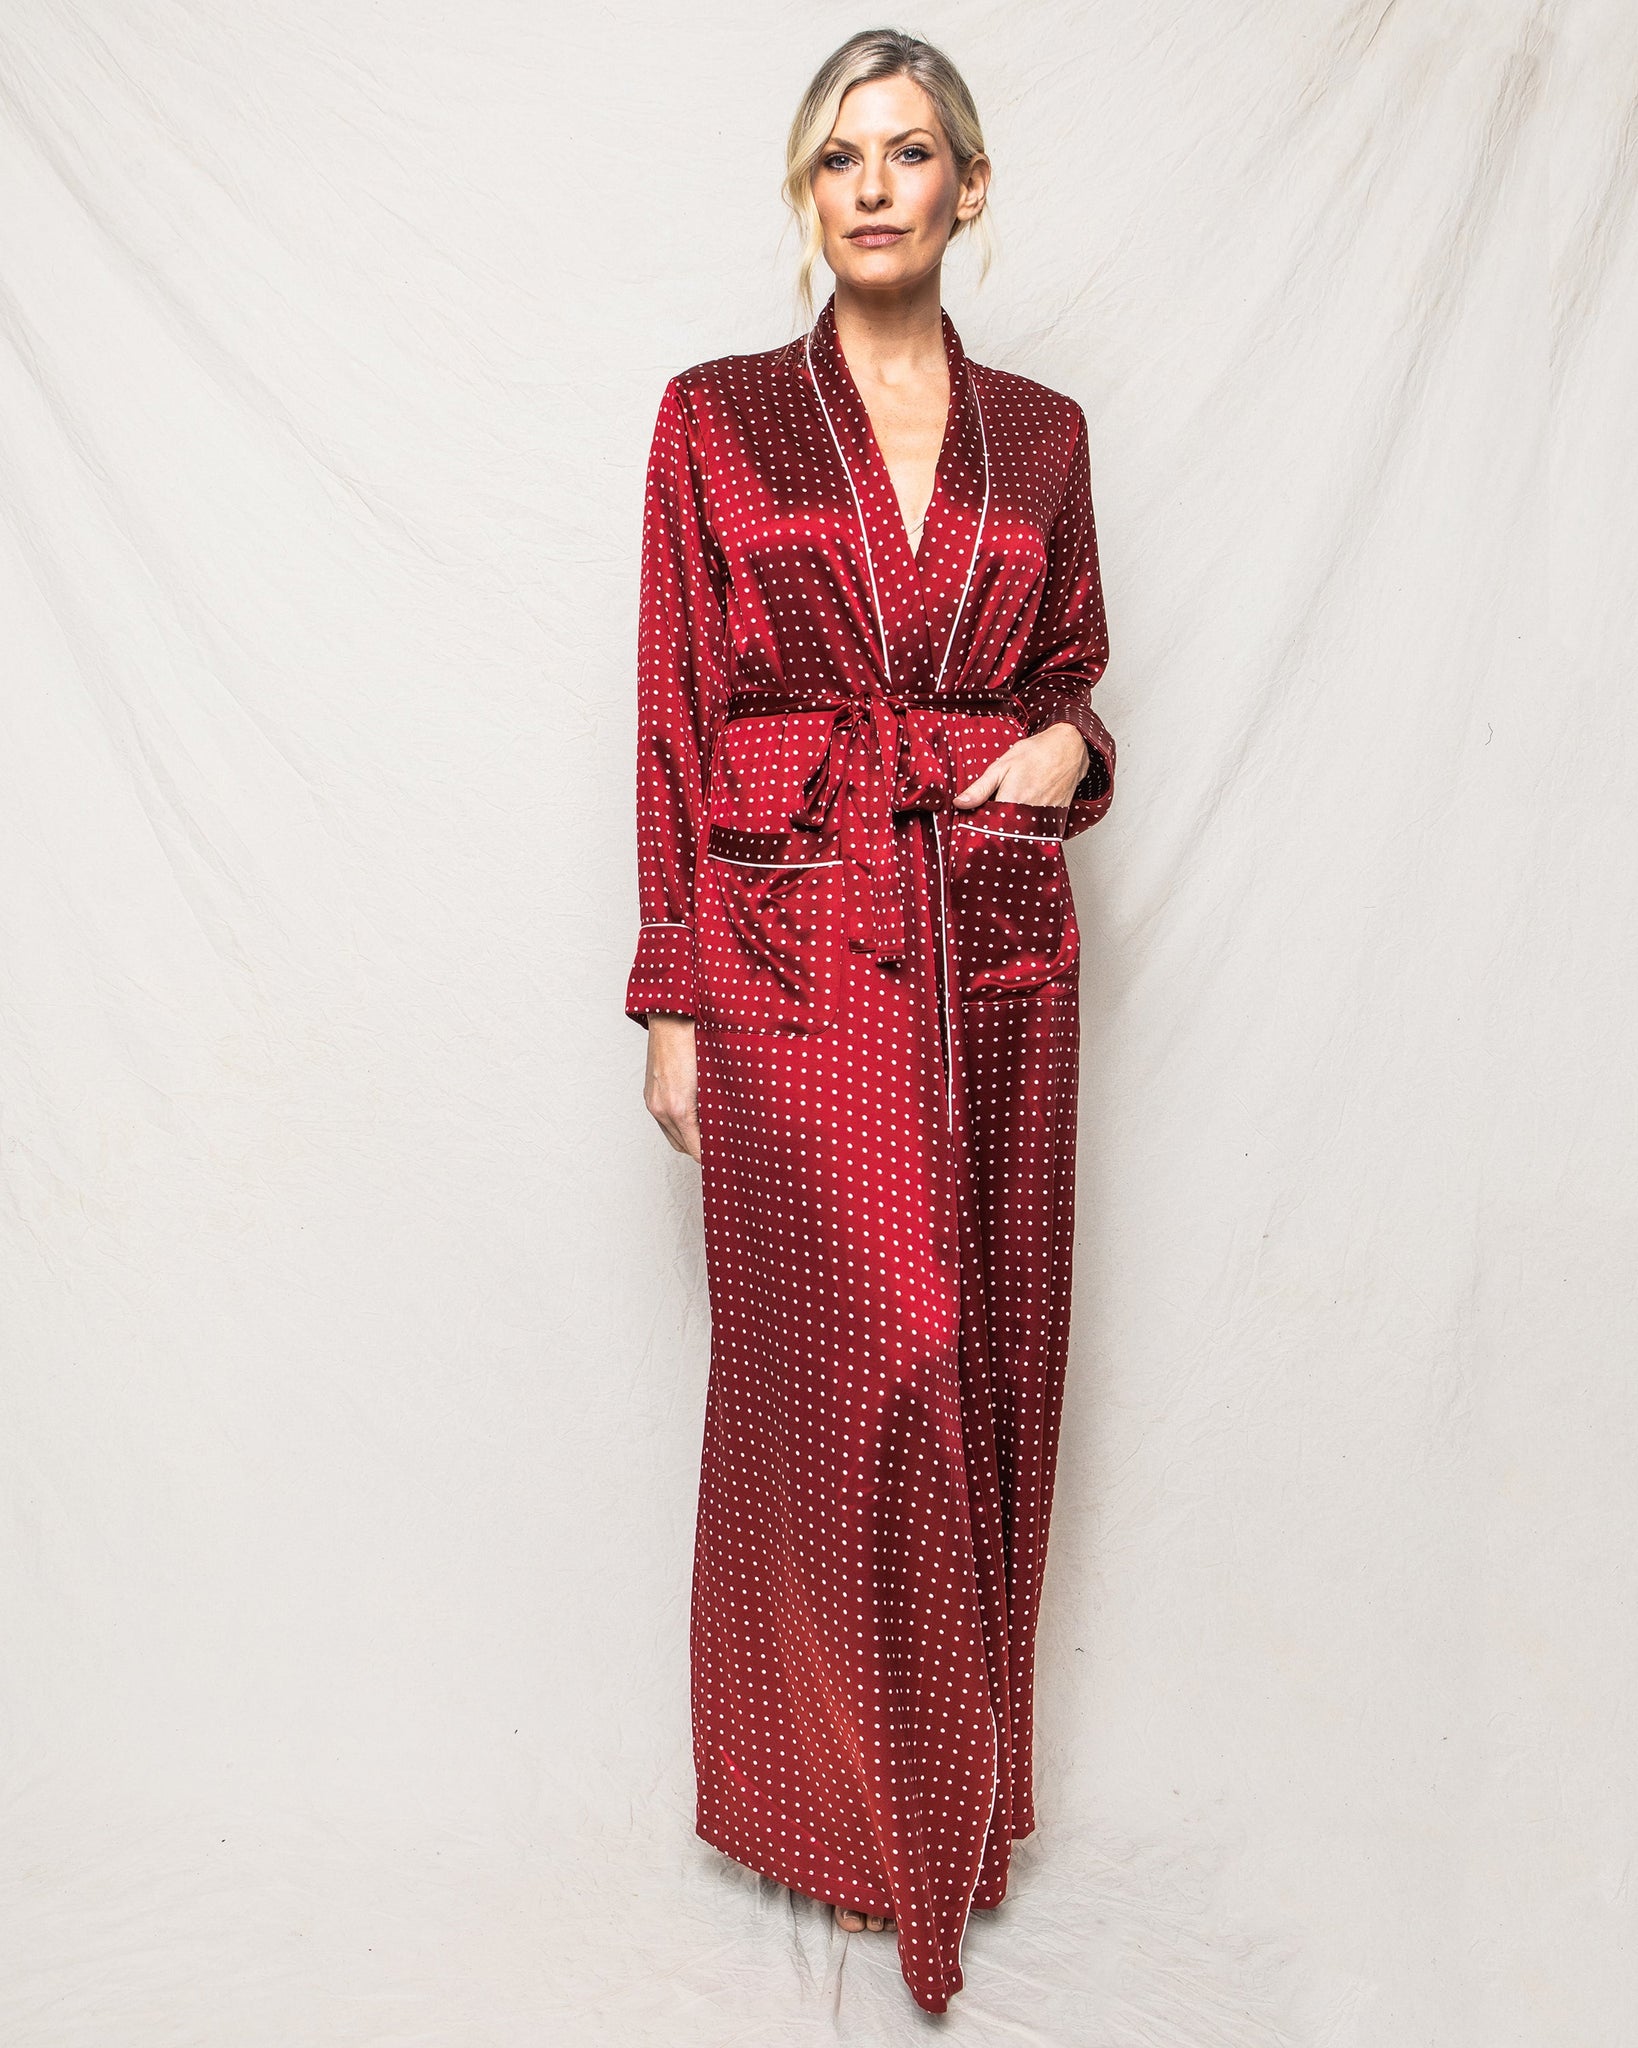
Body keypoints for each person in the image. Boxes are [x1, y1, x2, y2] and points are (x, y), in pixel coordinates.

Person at [624, 27, 1116, 2015]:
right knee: (853, 1367)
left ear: (972, 190)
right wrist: (667, 990)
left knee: (983, 1360)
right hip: (795, 955)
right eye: (843, 157)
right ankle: (836, 1815)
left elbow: (1081, 684)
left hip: (995, 949)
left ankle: (944, 1819)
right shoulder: (717, 425)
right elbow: (672, 715)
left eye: (915, 152)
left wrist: (1061, 749)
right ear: (807, 199)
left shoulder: (1054, 440)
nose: (879, 184)